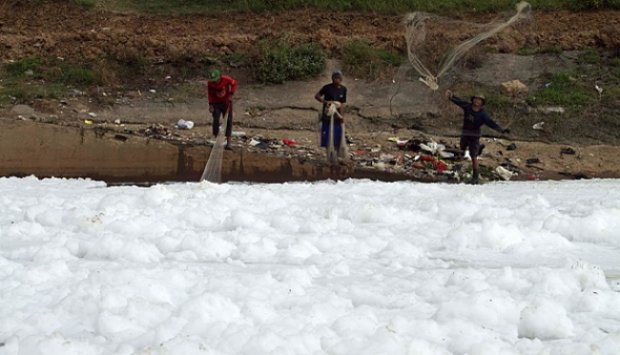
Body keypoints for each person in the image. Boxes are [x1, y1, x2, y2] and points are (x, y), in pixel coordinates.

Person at [446, 90, 510, 184]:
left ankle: (475, 177)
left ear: (482, 103)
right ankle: (457, 170)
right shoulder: (468, 106)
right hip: (465, 133)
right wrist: (452, 97)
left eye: (479, 100)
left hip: (474, 135)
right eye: (476, 99)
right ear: (473, 100)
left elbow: (491, 123)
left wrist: (501, 130)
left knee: (473, 156)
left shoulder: (483, 114)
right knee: (461, 151)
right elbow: (459, 102)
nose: (477, 101)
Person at [315, 70, 347, 151]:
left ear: (341, 79)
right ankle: (329, 155)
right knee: (327, 137)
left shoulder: (343, 89)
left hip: (337, 116)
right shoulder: (327, 88)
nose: (337, 80)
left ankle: (336, 154)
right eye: (335, 78)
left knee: (337, 137)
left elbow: (343, 103)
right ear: (332, 79)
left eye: (339, 78)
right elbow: (317, 96)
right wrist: (326, 102)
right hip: (327, 115)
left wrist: (342, 116)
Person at [207, 69, 237, 150]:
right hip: (216, 103)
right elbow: (210, 94)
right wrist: (211, 105)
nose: (216, 82)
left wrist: (231, 94)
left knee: (228, 120)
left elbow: (234, 83)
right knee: (216, 119)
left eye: (217, 80)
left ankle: (229, 143)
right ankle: (216, 139)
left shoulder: (226, 79)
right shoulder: (210, 83)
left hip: (226, 103)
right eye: (214, 80)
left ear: (220, 77)